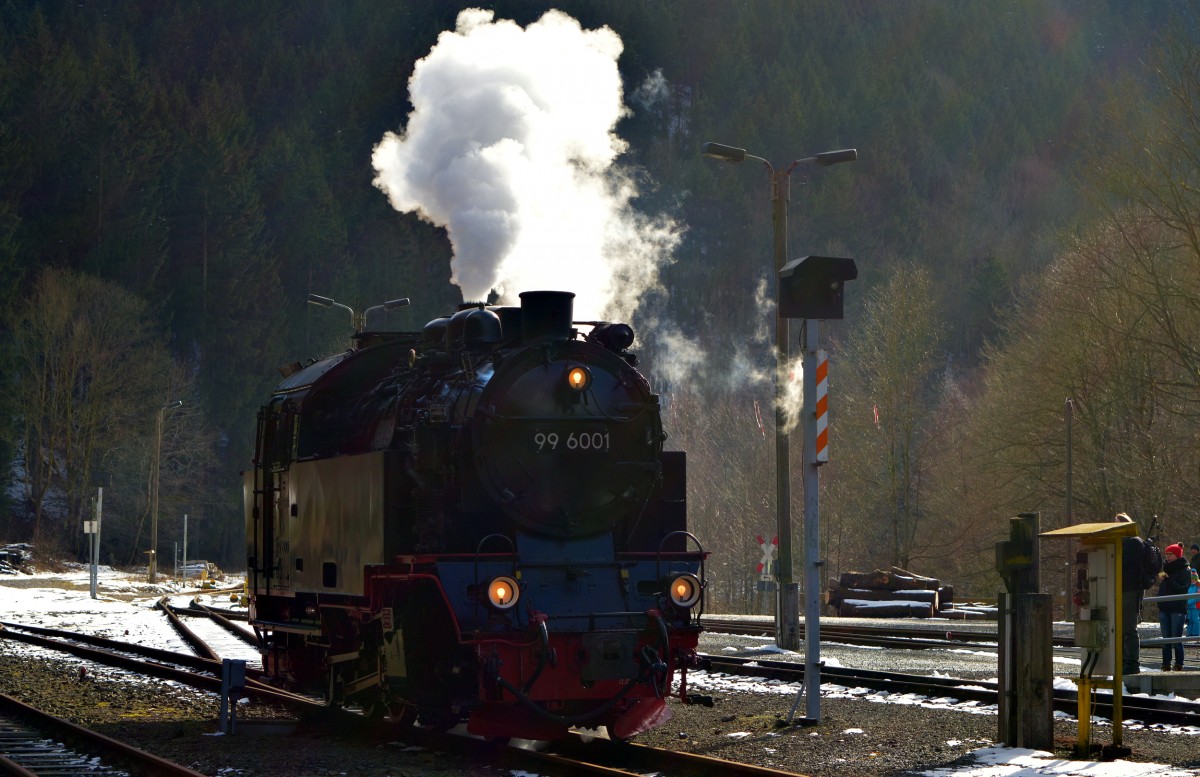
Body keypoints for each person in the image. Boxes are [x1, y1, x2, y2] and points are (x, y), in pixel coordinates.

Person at [1116, 513, 1145, 675]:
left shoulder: (1133, 543)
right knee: (1120, 628)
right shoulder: (1128, 543)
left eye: (1117, 523)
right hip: (1121, 589)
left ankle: (1131, 663)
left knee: (1128, 627)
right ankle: (1123, 661)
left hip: (1129, 590)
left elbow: (1123, 562)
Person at [1156, 542, 1190, 671]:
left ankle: (1179, 664)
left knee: (1176, 639)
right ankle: (1166, 664)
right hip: (1165, 607)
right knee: (1166, 639)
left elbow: (1183, 589)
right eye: (1166, 554)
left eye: (1170, 554)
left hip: (1177, 608)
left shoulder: (1185, 570)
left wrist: (1169, 580)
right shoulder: (1167, 569)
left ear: (1177, 555)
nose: (1167, 557)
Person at [1185, 564, 1200, 641]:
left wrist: (1189, 602)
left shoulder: (1198, 586)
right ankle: (1189, 633)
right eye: (1191, 579)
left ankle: (1196, 634)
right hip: (1189, 606)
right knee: (1189, 619)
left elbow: (1197, 597)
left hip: (1195, 606)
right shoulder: (1189, 586)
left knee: (1195, 619)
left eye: (1193, 579)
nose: (1192, 580)